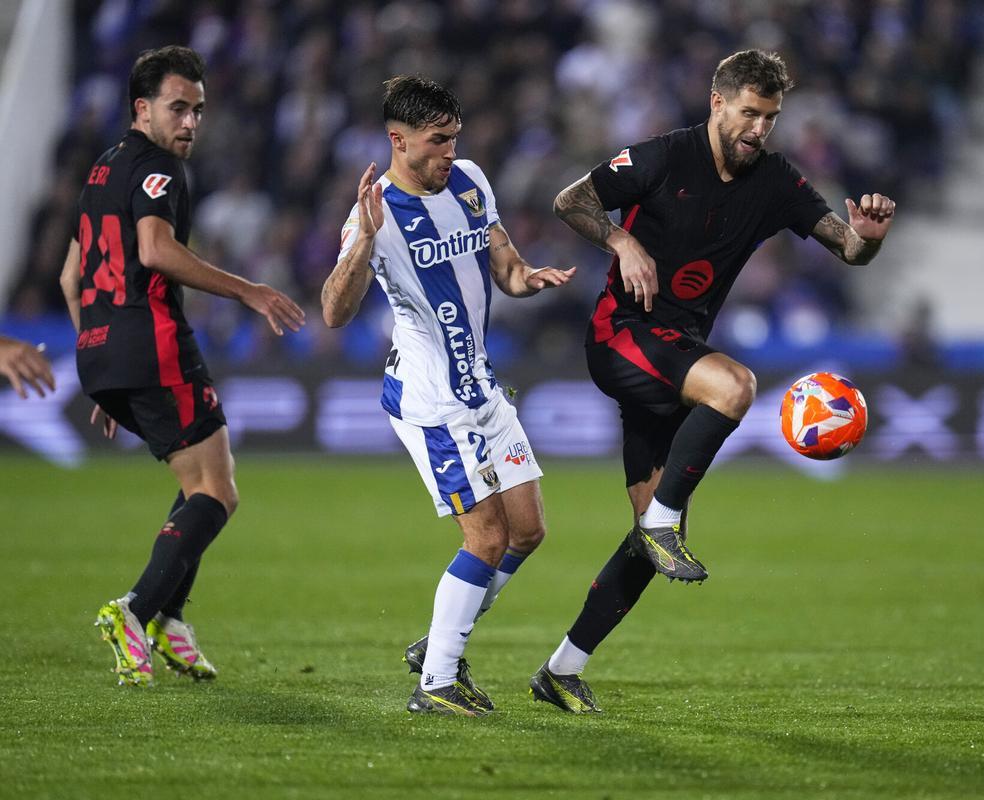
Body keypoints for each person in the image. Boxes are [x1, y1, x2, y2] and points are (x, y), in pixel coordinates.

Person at [530, 50, 896, 713]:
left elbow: (848, 247)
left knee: (645, 537)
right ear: (718, 103)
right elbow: (570, 201)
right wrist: (622, 243)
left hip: (676, 355)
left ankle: (558, 669)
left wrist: (868, 237)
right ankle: (666, 521)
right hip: (622, 338)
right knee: (734, 387)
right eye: (749, 114)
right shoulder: (662, 158)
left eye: (771, 118)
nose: (759, 130)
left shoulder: (778, 182)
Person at [320, 75, 575, 717]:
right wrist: (363, 246)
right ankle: (437, 682)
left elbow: (505, 265)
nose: (448, 154)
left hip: (482, 385)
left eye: (455, 139)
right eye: (437, 142)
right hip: (432, 398)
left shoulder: (470, 182)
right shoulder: (372, 213)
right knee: (485, 537)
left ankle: (441, 639)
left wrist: (528, 278)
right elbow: (332, 312)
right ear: (397, 140)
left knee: (529, 531)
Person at [58, 46, 305, 687]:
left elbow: (69, 275)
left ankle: (168, 620)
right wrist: (249, 289)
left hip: (107, 349)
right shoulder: (158, 169)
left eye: (197, 110)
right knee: (216, 492)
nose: (190, 123)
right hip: (156, 341)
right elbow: (156, 250)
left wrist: (100, 355)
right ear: (142, 109)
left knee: (202, 479)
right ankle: (136, 612)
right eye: (177, 109)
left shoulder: (101, 170)